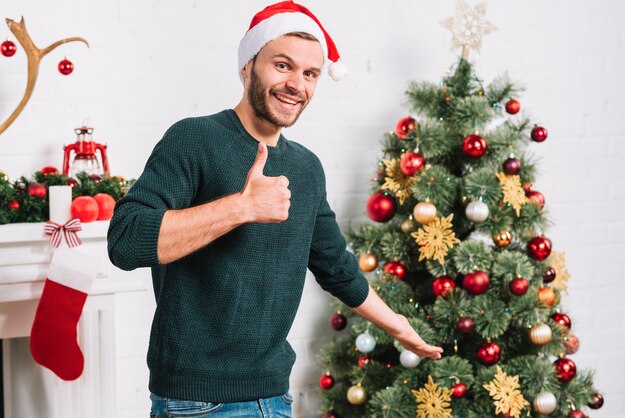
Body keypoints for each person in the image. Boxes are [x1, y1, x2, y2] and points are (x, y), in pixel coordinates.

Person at [107, 1, 443, 417]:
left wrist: (398, 326)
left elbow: (336, 266)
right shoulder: (193, 139)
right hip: (199, 401)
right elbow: (125, 241)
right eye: (282, 66)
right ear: (248, 66)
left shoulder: (306, 167)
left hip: (275, 397)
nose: (296, 84)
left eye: (310, 74)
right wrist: (241, 207)